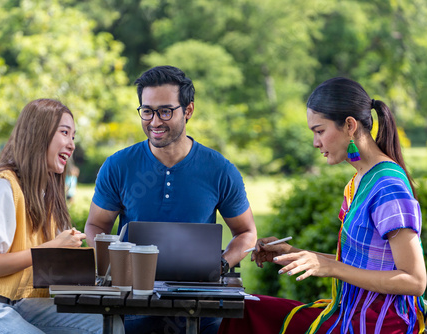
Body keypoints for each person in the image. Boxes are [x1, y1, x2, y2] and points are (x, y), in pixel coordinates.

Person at [219, 77, 426, 334]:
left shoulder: (389, 187)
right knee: (244, 308)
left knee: (248, 315)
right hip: (349, 312)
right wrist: (292, 253)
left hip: (378, 324)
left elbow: (415, 281)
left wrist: (330, 267)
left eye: (319, 131)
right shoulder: (360, 181)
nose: (316, 143)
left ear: (350, 125)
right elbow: (363, 263)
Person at [85, 65, 258, 334]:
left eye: (165, 111)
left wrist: (222, 264)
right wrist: (113, 269)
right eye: (147, 111)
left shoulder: (219, 169)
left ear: (188, 110)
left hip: (199, 307)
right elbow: (96, 226)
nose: (154, 121)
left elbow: (247, 232)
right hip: (130, 304)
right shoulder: (118, 165)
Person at [0, 99, 110, 333]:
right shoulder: (0, 185)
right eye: (64, 132)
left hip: (21, 300)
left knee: (106, 325)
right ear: (38, 134)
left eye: (73, 136)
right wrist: (51, 248)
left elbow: (45, 271)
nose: (71, 145)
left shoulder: (47, 195)